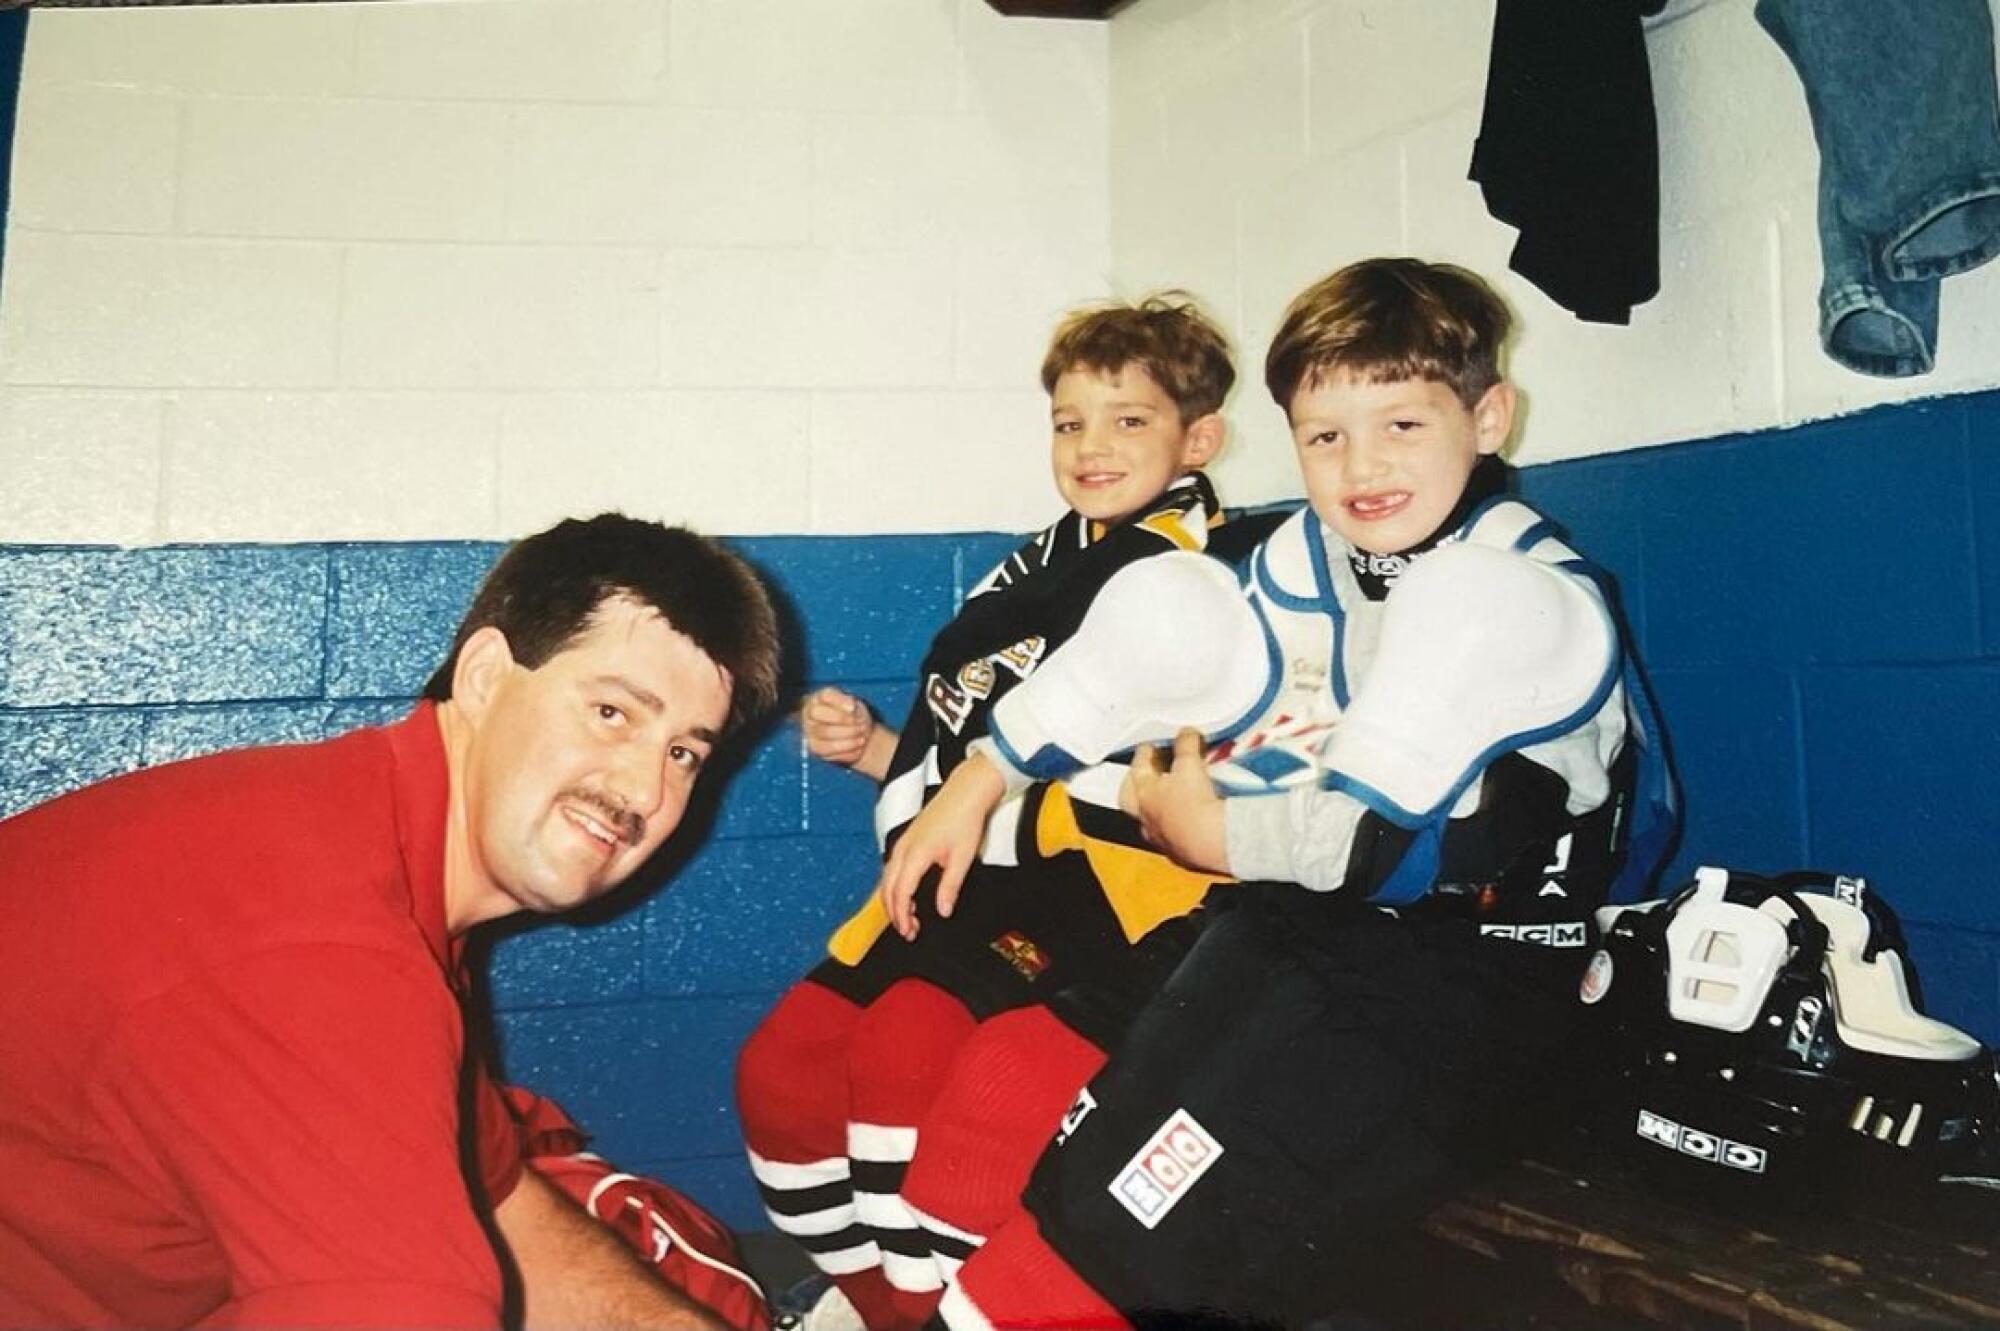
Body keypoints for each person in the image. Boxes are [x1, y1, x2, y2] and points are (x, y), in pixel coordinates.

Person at [876, 258, 1677, 1327]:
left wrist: (1198, 826)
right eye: (1323, 434)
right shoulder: (1320, 554)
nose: (1360, 466)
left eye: (1400, 424)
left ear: (1488, 414)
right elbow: (1156, 637)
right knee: (1004, 1085)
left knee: (1095, 1260)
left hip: (1470, 991)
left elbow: (1356, 848)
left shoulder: (1501, 586)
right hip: (1299, 929)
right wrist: (975, 779)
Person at [0, 514, 781, 1330]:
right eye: (613, 713)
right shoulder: (323, 943)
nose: (646, 791)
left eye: (684, 752)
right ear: (483, 676)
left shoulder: (373, 846)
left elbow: (501, 1202)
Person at [736, 295, 1243, 1331]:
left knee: (905, 1051)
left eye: (1127, 419)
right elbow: (983, 746)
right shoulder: (1039, 562)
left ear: (1200, 439)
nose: (1090, 445)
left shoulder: (1197, 577)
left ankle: (927, 1313)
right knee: (783, 1068)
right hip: (959, 868)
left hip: (1098, 887)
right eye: (1068, 421)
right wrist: (881, 752)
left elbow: (1129, 778)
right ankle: (887, 1309)